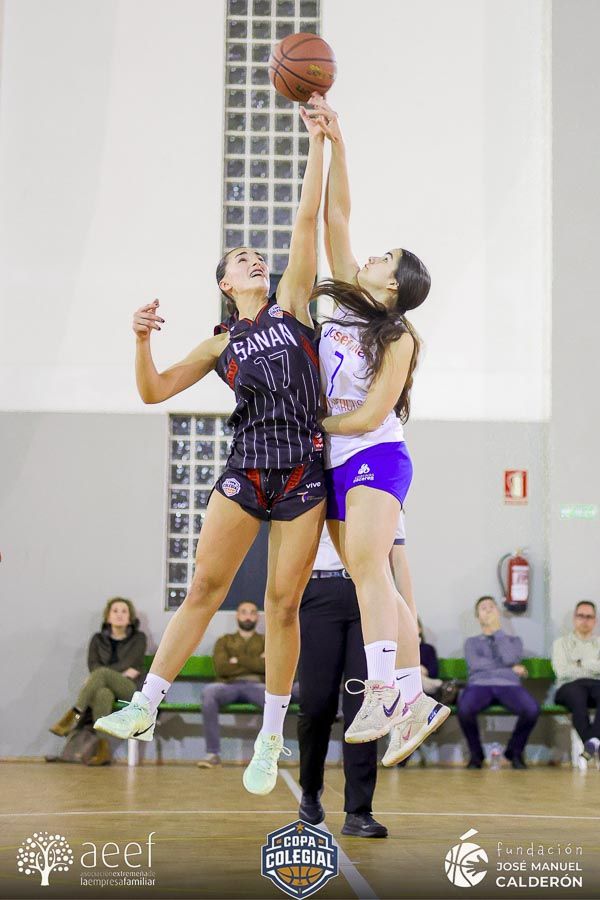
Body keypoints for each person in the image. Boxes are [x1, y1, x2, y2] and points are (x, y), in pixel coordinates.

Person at [94, 102, 328, 796]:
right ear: (226, 284)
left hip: (303, 473)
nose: (254, 258)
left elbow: (306, 221)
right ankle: (146, 704)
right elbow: (154, 390)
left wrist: (318, 141)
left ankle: (270, 740)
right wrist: (141, 339)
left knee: (283, 605)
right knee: (204, 587)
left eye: (257, 255)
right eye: (239, 259)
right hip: (246, 469)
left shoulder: (293, 306)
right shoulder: (220, 342)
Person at [305, 94, 449, 753]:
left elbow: (367, 414)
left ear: (395, 284)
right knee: (379, 579)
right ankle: (414, 699)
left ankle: (386, 688)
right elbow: (336, 214)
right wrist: (334, 140)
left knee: (367, 568)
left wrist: (311, 424)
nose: (369, 257)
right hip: (338, 459)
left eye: (384, 257)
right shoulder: (345, 300)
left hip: (375, 453)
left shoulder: (398, 336)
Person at [298, 529, 395, 838]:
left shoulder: (381, 495)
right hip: (316, 590)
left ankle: (359, 810)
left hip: (368, 591)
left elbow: (396, 548)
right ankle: (310, 788)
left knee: (364, 706)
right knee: (316, 705)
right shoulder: (310, 494)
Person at [50, 597, 146, 766]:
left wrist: (103, 674)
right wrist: (111, 674)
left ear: (130, 617)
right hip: (106, 685)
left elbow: (129, 662)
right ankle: (103, 751)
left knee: (101, 673)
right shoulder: (97, 639)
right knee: (102, 694)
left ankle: (74, 715)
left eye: (124, 611)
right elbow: (93, 665)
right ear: (108, 616)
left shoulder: (139, 638)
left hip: (129, 688)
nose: (119, 615)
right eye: (115, 611)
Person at [458, 596, 540, 769]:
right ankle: (476, 755)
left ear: (498, 612)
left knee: (532, 709)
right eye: (483, 608)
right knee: (464, 709)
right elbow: (476, 665)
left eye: (491, 607)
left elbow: (510, 657)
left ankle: (514, 752)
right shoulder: (471, 643)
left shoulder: (514, 641)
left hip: (509, 686)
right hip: (479, 685)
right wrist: (509, 669)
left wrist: (497, 632)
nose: (488, 610)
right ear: (478, 617)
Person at [197, 601, 266, 768]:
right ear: (237, 616)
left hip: (257, 686)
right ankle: (213, 754)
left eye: (252, 612)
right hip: (228, 685)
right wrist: (256, 662)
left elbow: (269, 668)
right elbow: (221, 668)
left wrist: (237, 660)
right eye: (244, 612)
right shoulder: (224, 640)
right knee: (209, 693)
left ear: (257, 617)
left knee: (274, 700)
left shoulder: (266, 641)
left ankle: (266, 756)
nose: (248, 616)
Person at [551, 600, 600, 761]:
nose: (584, 620)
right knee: (578, 697)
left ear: (595, 620)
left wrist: (580, 663)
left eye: (589, 617)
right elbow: (562, 671)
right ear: (574, 618)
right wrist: (594, 665)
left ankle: (591, 745)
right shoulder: (560, 643)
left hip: (596, 685)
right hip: (569, 687)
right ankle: (593, 741)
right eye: (581, 616)